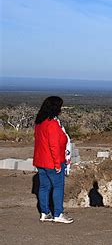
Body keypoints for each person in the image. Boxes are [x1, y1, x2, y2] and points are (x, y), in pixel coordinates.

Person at [33, 96, 74, 224]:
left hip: (40, 161)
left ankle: (45, 213)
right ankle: (58, 214)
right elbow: (54, 145)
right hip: (52, 161)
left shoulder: (40, 122)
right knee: (58, 187)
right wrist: (57, 164)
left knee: (44, 187)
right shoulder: (52, 124)